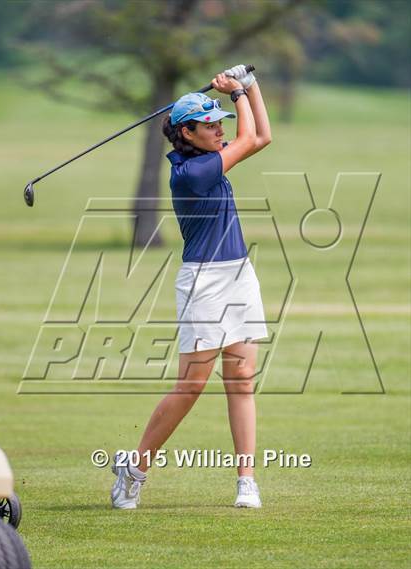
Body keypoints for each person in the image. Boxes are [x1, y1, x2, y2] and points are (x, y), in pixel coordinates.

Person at [111, 64, 272, 510]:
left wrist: (250, 87)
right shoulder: (191, 174)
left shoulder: (207, 157)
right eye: (210, 125)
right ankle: (136, 467)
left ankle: (246, 482)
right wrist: (237, 92)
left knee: (241, 378)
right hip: (204, 282)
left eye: (220, 123)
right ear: (187, 133)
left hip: (239, 273)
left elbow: (261, 138)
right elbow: (247, 139)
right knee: (192, 386)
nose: (219, 130)